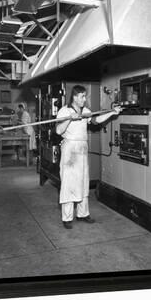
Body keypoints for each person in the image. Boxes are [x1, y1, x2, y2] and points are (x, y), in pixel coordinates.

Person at [55, 85, 122, 229]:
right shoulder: (64, 111)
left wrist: (112, 113)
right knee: (69, 183)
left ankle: (83, 214)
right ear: (74, 97)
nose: (85, 99)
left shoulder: (85, 111)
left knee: (83, 181)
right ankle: (67, 218)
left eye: (85, 96)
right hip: (70, 150)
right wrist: (69, 119)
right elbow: (59, 130)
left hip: (82, 149)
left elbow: (96, 121)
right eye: (82, 96)